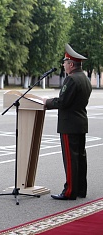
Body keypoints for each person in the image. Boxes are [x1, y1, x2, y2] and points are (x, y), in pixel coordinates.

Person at [45, 44, 92, 200]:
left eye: (65, 62)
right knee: (80, 158)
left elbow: (63, 102)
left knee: (71, 159)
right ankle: (80, 190)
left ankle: (70, 191)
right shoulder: (84, 78)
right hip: (80, 123)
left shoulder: (71, 79)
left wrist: (46, 102)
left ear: (71, 64)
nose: (63, 65)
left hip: (69, 124)